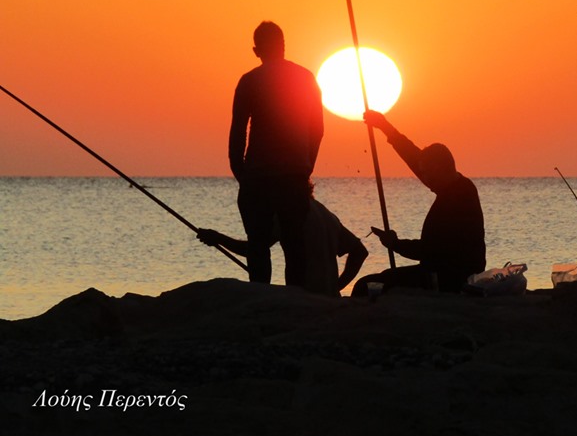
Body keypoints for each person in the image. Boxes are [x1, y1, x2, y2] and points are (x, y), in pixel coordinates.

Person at [229, 21, 324, 287]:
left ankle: (262, 295)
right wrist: (306, 166)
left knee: (258, 245)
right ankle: (296, 297)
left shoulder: (249, 81)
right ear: (283, 46)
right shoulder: (305, 78)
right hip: (292, 175)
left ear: (256, 50)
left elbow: (238, 133)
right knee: (294, 244)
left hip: (259, 175)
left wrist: (241, 175)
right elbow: (318, 129)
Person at [352, 111, 486, 296]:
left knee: (366, 286)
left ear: (439, 169)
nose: (424, 178)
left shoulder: (457, 199)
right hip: (441, 272)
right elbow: (413, 157)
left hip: (447, 279)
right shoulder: (456, 186)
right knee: (380, 279)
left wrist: (395, 244)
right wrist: (385, 127)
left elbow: (429, 251)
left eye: (427, 173)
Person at [196, 196, 368, 297]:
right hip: (330, 298)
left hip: (304, 298)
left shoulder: (287, 213)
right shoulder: (325, 213)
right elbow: (360, 251)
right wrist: (336, 286)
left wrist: (218, 238)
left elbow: (254, 250)